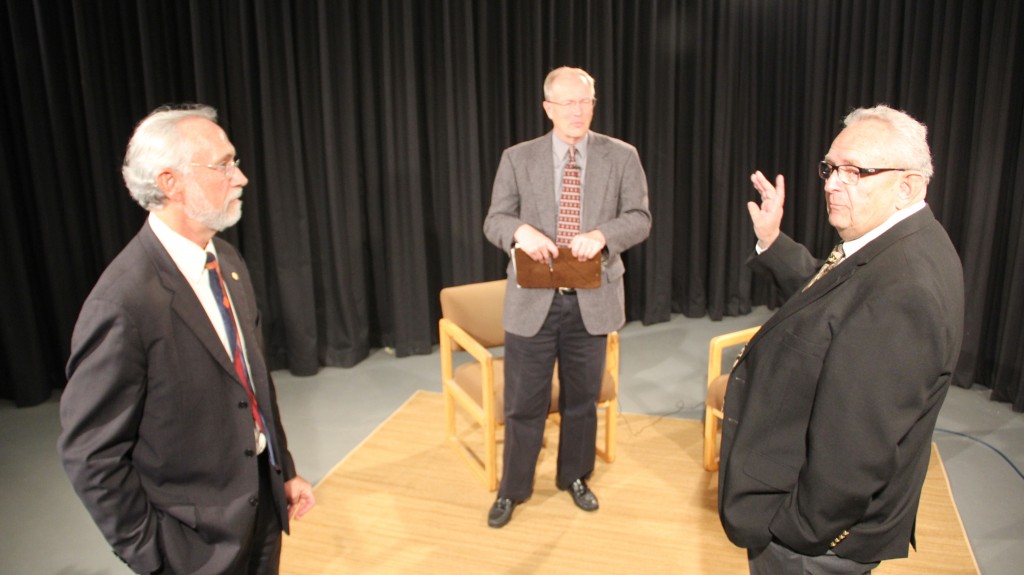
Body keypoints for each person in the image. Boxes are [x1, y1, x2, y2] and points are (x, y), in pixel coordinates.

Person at [58, 104, 315, 574]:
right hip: (192, 548)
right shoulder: (122, 303)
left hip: (260, 511)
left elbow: (252, 383)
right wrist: (155, 555)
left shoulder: (228, 260)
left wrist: (284, 469)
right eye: (223, 165)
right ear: (170, 182)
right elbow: (90, 454)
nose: (241, 178)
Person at [718, 105, 964, 574]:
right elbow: (833, 299)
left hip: (815, 547)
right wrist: (773, 241)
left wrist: (794, 531)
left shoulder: (904, 290)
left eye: (855, 172)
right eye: (831, 168)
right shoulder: (899, 241)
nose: (831, 184)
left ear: (906, 186)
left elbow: (854, 454)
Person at [482, 67, 651, 528]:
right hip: (531, 303)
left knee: (582, 401)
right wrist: (519, 231)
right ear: (548, 108)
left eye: (584, 102)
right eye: (566, 103)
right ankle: (513, 488)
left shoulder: (622, 156)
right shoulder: (518, 158)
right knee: (523, 404)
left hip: (592, 301)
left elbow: (639, 218)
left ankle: (575, 476)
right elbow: (495, 219)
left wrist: (603, 234)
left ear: (593, 105)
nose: (577, 111)